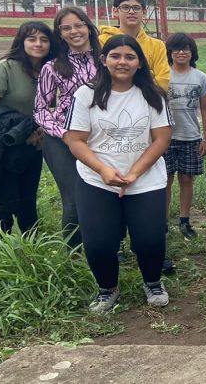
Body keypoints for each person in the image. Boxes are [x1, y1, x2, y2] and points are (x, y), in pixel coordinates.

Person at [64, 35, 173, 313]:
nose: (122, 62)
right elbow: (75, 139)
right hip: (97, 180)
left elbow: (162, 139)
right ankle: (107, 288)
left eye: (129, 57)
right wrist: (103, 170)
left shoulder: (152, 95)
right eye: (115, 56)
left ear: (139, 63)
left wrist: (134, 173)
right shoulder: (86, 94)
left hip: (145, 179)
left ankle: (152, 281)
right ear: (103, 60)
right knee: (99, 241)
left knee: (150, 238)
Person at [0, 21, 55, 235]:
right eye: (32, 38)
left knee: (28, 202)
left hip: (34, 146)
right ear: (21, 41)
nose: (38, 44)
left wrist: (42, 130)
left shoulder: (49, 71)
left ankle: (33, 254)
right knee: (6, 206)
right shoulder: (5, 68)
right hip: (5, 146)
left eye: (44, 39)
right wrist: (22, 130)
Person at [35, 8, 100, 248]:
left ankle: (105, 245)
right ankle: (74, 254)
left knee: (103, 194)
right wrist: (63, 133)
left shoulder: (106, 61)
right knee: (73, 200)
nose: (74, 31)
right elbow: (41, 109)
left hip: (100, 137)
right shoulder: (51, 68)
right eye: (66, 28)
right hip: (61, 139)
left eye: (79, 25)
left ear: (88, 27)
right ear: (60, 34)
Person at [163, 33, 206, 243]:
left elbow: (205, 109)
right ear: (170, 52)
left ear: (192, 53)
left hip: (191, 136)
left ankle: (184, 220)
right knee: (165, 180)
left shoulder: (199, 77)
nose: (181, 52)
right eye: (176, 49)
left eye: (186, 49)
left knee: (186, 179)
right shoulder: (163, 75)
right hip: (164, 137)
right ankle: (162, 222)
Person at [99, 0, 170, 90]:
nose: (131, 12)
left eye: (136, 8)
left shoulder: (157, 46)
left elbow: (163, 81)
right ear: (115, 11)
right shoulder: (102, 41)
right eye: (125, 7)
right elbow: (101, 77)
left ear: (144, 12)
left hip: (147, 102)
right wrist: (147, 74)